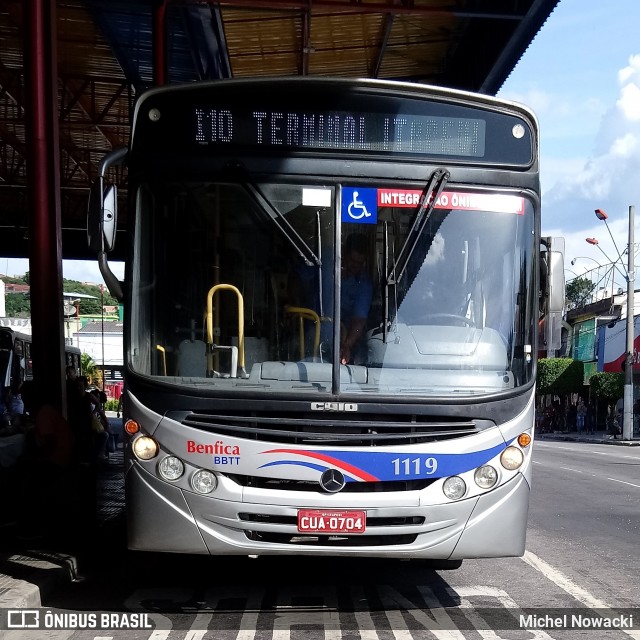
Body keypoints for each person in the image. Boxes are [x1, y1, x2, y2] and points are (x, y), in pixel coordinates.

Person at [340, 232, 373, 365]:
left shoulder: (364, 284)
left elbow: (359, 320)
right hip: (313, 326)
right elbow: (298, 280)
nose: (354, 266)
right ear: (343, 254)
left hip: (347, 335)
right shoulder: (324, 269)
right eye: (351, 260)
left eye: (359, 263)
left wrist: (346, 345)